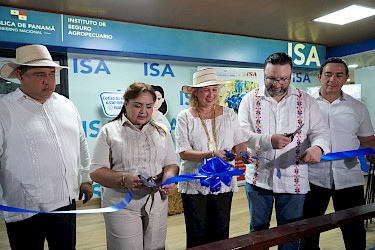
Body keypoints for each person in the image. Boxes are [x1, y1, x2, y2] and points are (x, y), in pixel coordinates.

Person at [0, 44, 93, 250]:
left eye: (52, 74)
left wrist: (85, 179)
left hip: (65, 204)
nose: (48, 81)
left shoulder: (67, 105)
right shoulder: (4, 110)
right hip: (24, 209)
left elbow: (81, 144)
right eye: (39, 74)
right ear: (19, 75)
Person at [237, 52, 330, 250]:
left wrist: (318, 147)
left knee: (290, 233)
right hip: (258, 178)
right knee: (259, 232)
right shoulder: (249, 99)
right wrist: (267, 140)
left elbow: (320, 132)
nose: (277, 84)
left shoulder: (306, 101)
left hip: (293, 178)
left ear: (291, 76)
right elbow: (241, 133)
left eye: (283, 79)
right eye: (271, 78)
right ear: (263, 74)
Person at [90, 82, 179, 250]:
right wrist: (124, 179)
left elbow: (171, 163)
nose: (143, 111)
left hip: (157, 202)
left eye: (148, 106)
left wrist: (169, 177)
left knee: (156, 247)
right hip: (121, 203)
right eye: (137, 106)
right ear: (126, 104)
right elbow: (96, 172)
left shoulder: (162, 131)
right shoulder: (109, 131)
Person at [175, 68, 255, 248]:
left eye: (214, 90)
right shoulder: (185, 117)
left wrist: (244, 154)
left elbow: (239, 143)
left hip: (223, 180)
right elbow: (183, 152)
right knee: (197, 233)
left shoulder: (228, 114)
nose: (211, 94)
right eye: (206, 90)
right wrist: (211, 154)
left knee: (220, 231)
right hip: (195, 182)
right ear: (195, 92)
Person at [301, 57, 375, 250]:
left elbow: (367, 139)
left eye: (339, 75)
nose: (332, 79)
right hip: (313, 178)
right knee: (309, 230)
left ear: (346, 78)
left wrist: (372, 152)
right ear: (319, 77)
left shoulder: (358, 108)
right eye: (328, 74)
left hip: (349, 177)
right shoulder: (305, 106)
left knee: (354, 232)